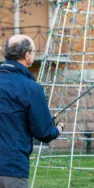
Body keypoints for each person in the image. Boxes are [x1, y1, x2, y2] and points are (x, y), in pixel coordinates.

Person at [0, 35, 63, 188]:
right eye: (34, 51)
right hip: (11, 169)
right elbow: (44, 132)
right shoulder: (31, 88)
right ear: (27, 55)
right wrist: (57, 129)